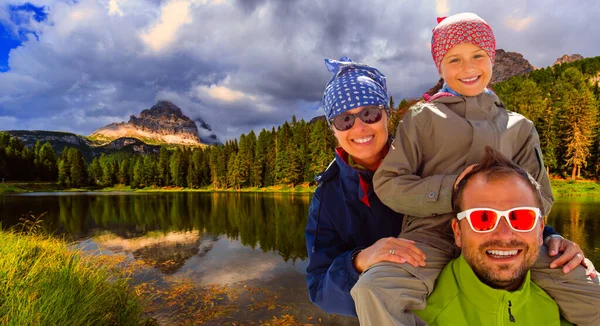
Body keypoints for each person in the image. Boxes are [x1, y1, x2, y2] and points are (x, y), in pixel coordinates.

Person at [351, 12, 600, 326]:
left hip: (512, 239)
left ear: (492, 59)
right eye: (453, 60)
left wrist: (537, 227)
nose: (467, 68)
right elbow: (388, 184)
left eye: (478, 56)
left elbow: (544, 198)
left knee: (592, 291)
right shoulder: (421, 119)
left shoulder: (520, 127)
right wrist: (454, 190)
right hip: (430, 241)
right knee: (375, 291)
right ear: (439, 66)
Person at [304, 56, 590, 318]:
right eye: (344, 119)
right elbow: (318, 288)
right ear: (333, 128)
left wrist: (550, 236)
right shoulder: (328, 196)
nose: (359, 127)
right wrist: (359, 261)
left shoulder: (426, 152)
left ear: (387, 114)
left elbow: (492, 200)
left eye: (369, 114)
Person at [415, 146, 577, 325]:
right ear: (458, 231)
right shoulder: (415, 316)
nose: (505, 235)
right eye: (483, 217)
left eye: (521, 217)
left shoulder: (569, 310)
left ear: (540, 231)